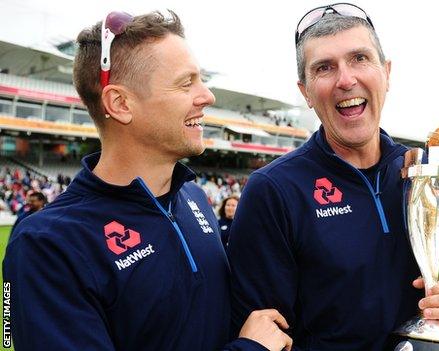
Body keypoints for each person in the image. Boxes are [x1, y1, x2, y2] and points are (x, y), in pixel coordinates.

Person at [3, 10, 291, 351]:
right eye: (187, 83)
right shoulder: (48, 246)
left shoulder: (194, 197)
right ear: (121, 103)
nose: (207, 96)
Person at [228, 4, 439, 350]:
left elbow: (438, 293)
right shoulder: (273, 190)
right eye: (324, 68)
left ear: (387, 73)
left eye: (360, 58)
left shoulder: (423, 176)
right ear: (306, 92)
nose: (346, 80)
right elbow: (264, 336)